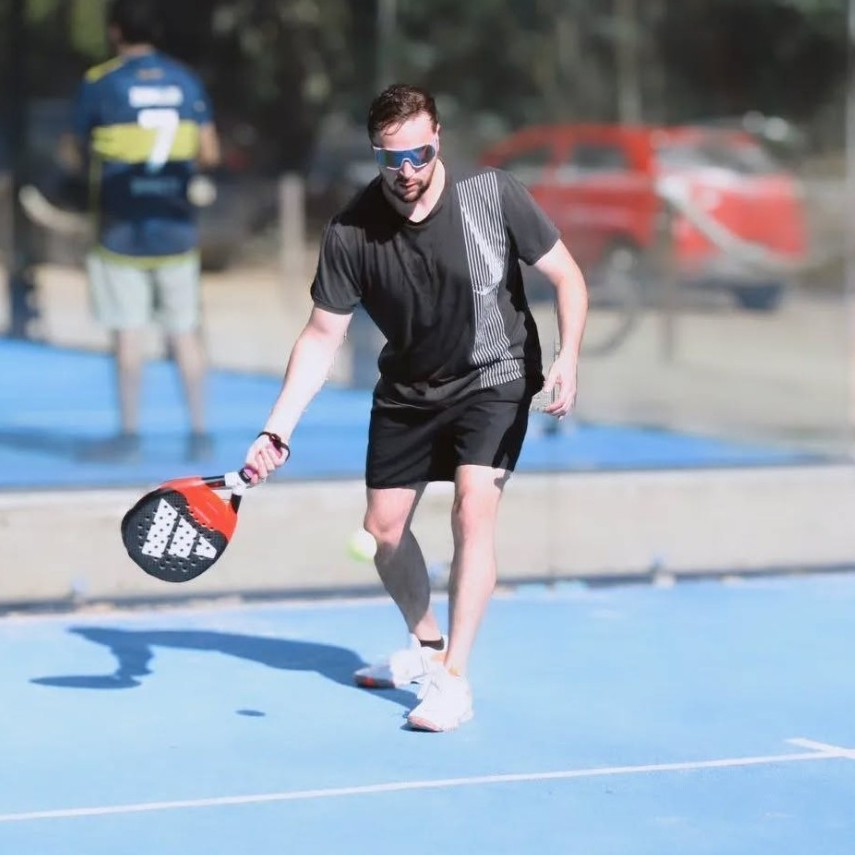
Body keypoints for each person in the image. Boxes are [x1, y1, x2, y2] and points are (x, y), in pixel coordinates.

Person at [244, 84, 588, 732]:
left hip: (495, 377)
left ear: (438, 140)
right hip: (408, 389)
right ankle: (427, 645)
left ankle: (453, 679)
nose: (406, 171)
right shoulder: (351, 231)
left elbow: (567, 276)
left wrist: (568, 355)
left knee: (472, 508)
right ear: (374, 153)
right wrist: (277, 430)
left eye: (419, 154)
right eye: (391, 158)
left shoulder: (493, 195)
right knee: (383, 532)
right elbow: (320, 337)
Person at [65, 0, 221, 462]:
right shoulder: (185, 80)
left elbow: (73, 151)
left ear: (115, 32)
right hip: (176, 229)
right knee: (185, 333)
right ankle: (199, 435)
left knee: (128, 335)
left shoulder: (101, 82)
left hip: (120, 231)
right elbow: (210, 152)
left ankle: (129, 437)